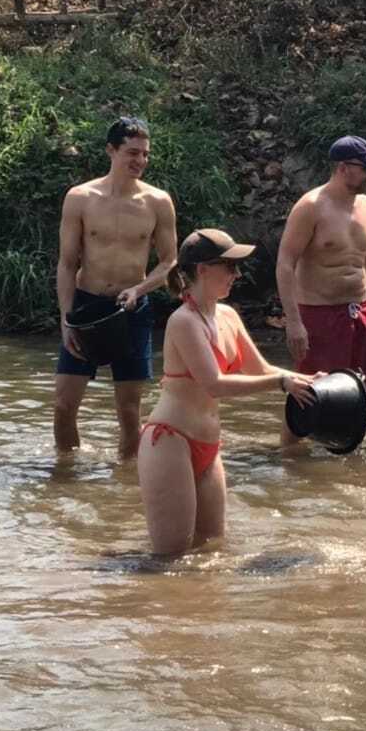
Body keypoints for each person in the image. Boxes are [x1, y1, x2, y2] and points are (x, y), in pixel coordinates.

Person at [138, 229, 318, 555]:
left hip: (208, 447)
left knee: (211, 550)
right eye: (229, 266)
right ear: (202, 269)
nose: (236, 274)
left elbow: (260, 370)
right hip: (170, 441)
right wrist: (281, 384)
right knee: (170, 560)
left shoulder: (228, 315)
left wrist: (312, 380)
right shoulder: (183, 321)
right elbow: (215, 384)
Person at [54, 116, 178, 457]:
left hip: (131, 308)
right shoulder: (80, 198)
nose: (140, 161)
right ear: (111, 150)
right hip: (86, 306)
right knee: (64, 406)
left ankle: (127, 485)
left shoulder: (157, 202)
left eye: (145, 155)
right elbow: (67, 264)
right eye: (132, 153)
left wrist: (139, 289)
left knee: (128, 412)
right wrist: (66, 319)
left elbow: (169, 261)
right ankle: (65, 479)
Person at [275, 134, 366, 445]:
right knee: (309, 395)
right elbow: (284, 264)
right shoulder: (310, 207)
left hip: (361, 310)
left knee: (361, 389)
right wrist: (293, 322)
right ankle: (289, 462)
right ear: (342, 168)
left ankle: (347, 452)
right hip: (318, 314)